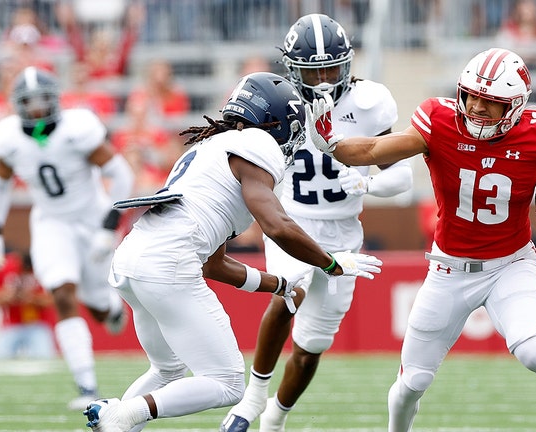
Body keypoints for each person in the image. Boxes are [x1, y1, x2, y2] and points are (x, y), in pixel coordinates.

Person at [306, 47, 536, 431]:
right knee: (411, 383)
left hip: (509, 264)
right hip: (448, 269)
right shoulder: (440, 121)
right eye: (472, 96)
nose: (477, 107)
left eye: (491, 102)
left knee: (534, 351)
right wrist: (333, 145)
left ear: (514, 107)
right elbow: (375, 148)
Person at [81, 71, 382, 432]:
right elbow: (277, 225)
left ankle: (117, 421)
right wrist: (332, 263)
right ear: (276, 121)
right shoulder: (257, 144)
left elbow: (215, 264)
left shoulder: (213, 148)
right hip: (167, 265)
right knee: (227, 383)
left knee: (168, 371)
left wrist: (278, 285)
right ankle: (122, 414)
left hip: (132, 260)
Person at [220, 14, 413, 432]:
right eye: (313, 70)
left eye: (331, 68)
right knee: (290, 290)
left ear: (347, 63)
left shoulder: (370, 101)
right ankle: (253, 396)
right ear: (293, 68)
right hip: (292, 217)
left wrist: (366, 182)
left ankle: (275, 417)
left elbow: (402, 176)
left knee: (311, 348)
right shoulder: (277, 98)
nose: (324, 81)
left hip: (344, 230)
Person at [0, 66, 134, 410]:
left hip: (91, 217)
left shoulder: (78, 128)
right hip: (51, 222)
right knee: (61, 292)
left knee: (99, 308)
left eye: (43, 100)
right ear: (18, 105)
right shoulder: (9, 138)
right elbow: (0, 186)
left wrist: (110, 223)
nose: (38, 109)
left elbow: (120, 174)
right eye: (29, 103)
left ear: (55, 99)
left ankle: (110, 308)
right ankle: (86, 384)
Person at [0, 251, 56, 359]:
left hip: (37, 324)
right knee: (1, 360)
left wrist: (32, 299)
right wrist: (8, 296)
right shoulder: (7, 269)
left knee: (45, 359)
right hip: (11, 325)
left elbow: (52, 299)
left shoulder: (42, 272)